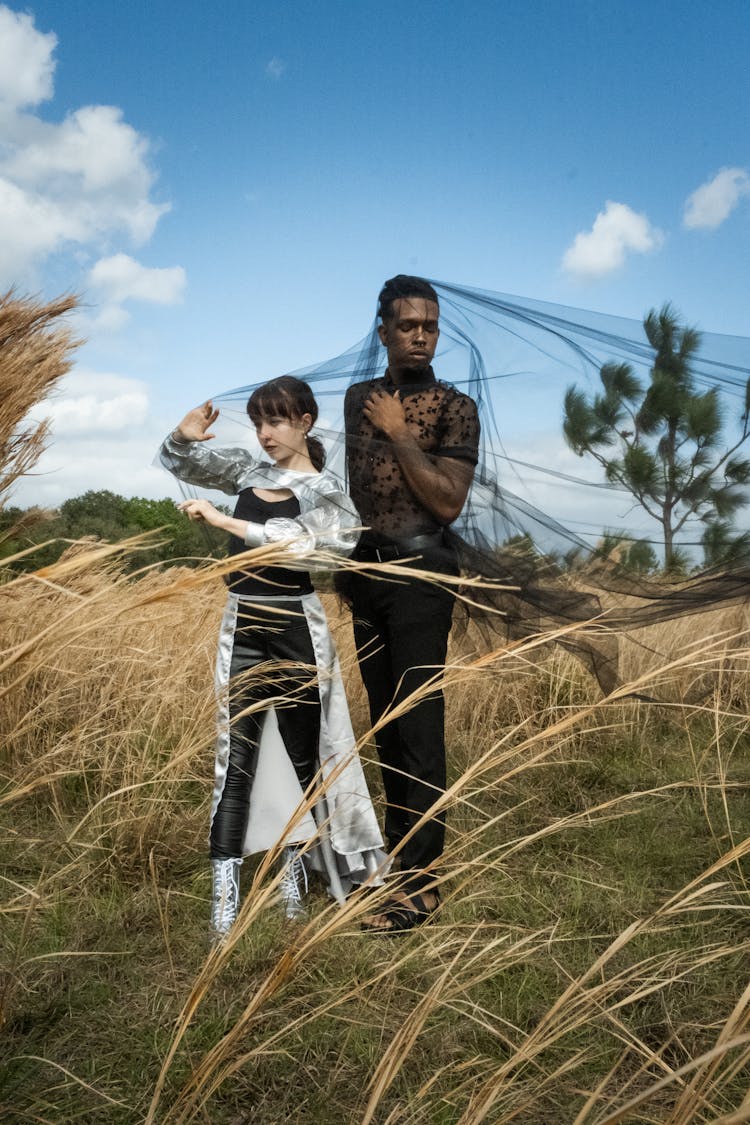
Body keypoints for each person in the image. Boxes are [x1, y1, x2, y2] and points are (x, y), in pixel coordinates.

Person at [159, 376, 386, 940]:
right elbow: (178, 461)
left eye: (277, 421)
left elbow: (308, 545)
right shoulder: (249, 470)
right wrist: (182, 437)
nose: (264, 434)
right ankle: (223, 906)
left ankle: (297, 885)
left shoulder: (329, 490)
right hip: (243, 624)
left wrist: (226, 522)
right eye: (259, 422)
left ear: (306, 421)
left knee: (302, 758)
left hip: (294, 629)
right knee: (234, 760)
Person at [340, 275, 480, 933]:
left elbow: (448, 502)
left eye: (429, 325)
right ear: (384, 332)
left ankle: (419, 887)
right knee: (384, 725)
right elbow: (349, 487)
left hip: (424, 573)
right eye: (408, 325)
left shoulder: (455, 407)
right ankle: (397, 863)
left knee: (418, 722)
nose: (420, 335)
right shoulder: (355, 399)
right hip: (364, 575)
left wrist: (400, 432)